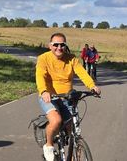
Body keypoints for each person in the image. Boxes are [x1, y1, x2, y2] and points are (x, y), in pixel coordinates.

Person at [36, 33, 101, 161]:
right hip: (49, 97)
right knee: (56, 121)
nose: (59, 47)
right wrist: (44, 91)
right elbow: (40, 76)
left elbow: (82, 73)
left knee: (71, 128)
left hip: (67, 97)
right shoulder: (43, 58)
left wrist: (92, 86)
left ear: (65, 46)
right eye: (56, 44)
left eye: (62, 45)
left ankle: (72, 154)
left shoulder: (71, 59)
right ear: (50, 46)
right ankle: (48, 145)